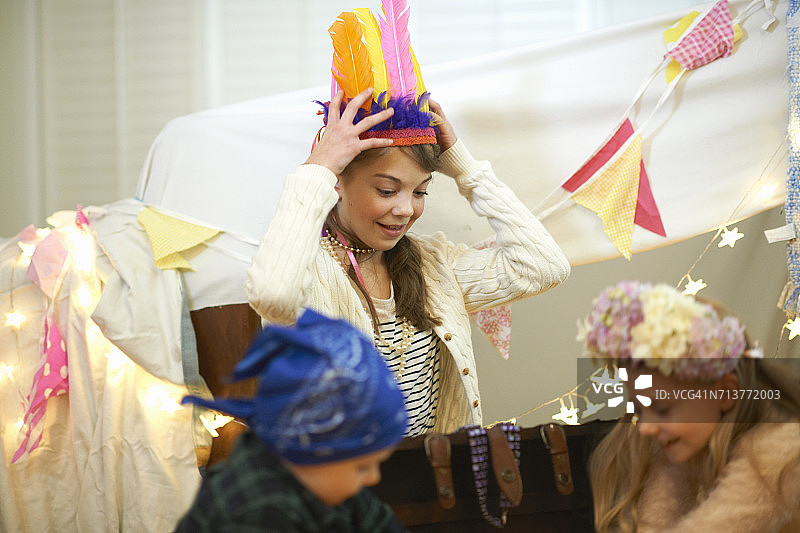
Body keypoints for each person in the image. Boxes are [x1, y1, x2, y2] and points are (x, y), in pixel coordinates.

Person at [244, 0, 571, 437]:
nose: (406, 209)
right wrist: (316, 170)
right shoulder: (309, 269)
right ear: (338, 182)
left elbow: (545, 267)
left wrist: (464, 167)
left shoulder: (436, 265)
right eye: (386, 190)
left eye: (420, 192)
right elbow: (271, 293)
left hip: (433, 487)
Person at [580, 280, 800, 533]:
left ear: (726, 392)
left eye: (662, 409)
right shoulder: (695, 451)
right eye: (639, 411)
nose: (645, 428)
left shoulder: (777, 456)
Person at [173, 308, 409, 532]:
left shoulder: (329, 477)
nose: (373, 478)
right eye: (363, 467)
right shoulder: (257, 511)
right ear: (310, 451)